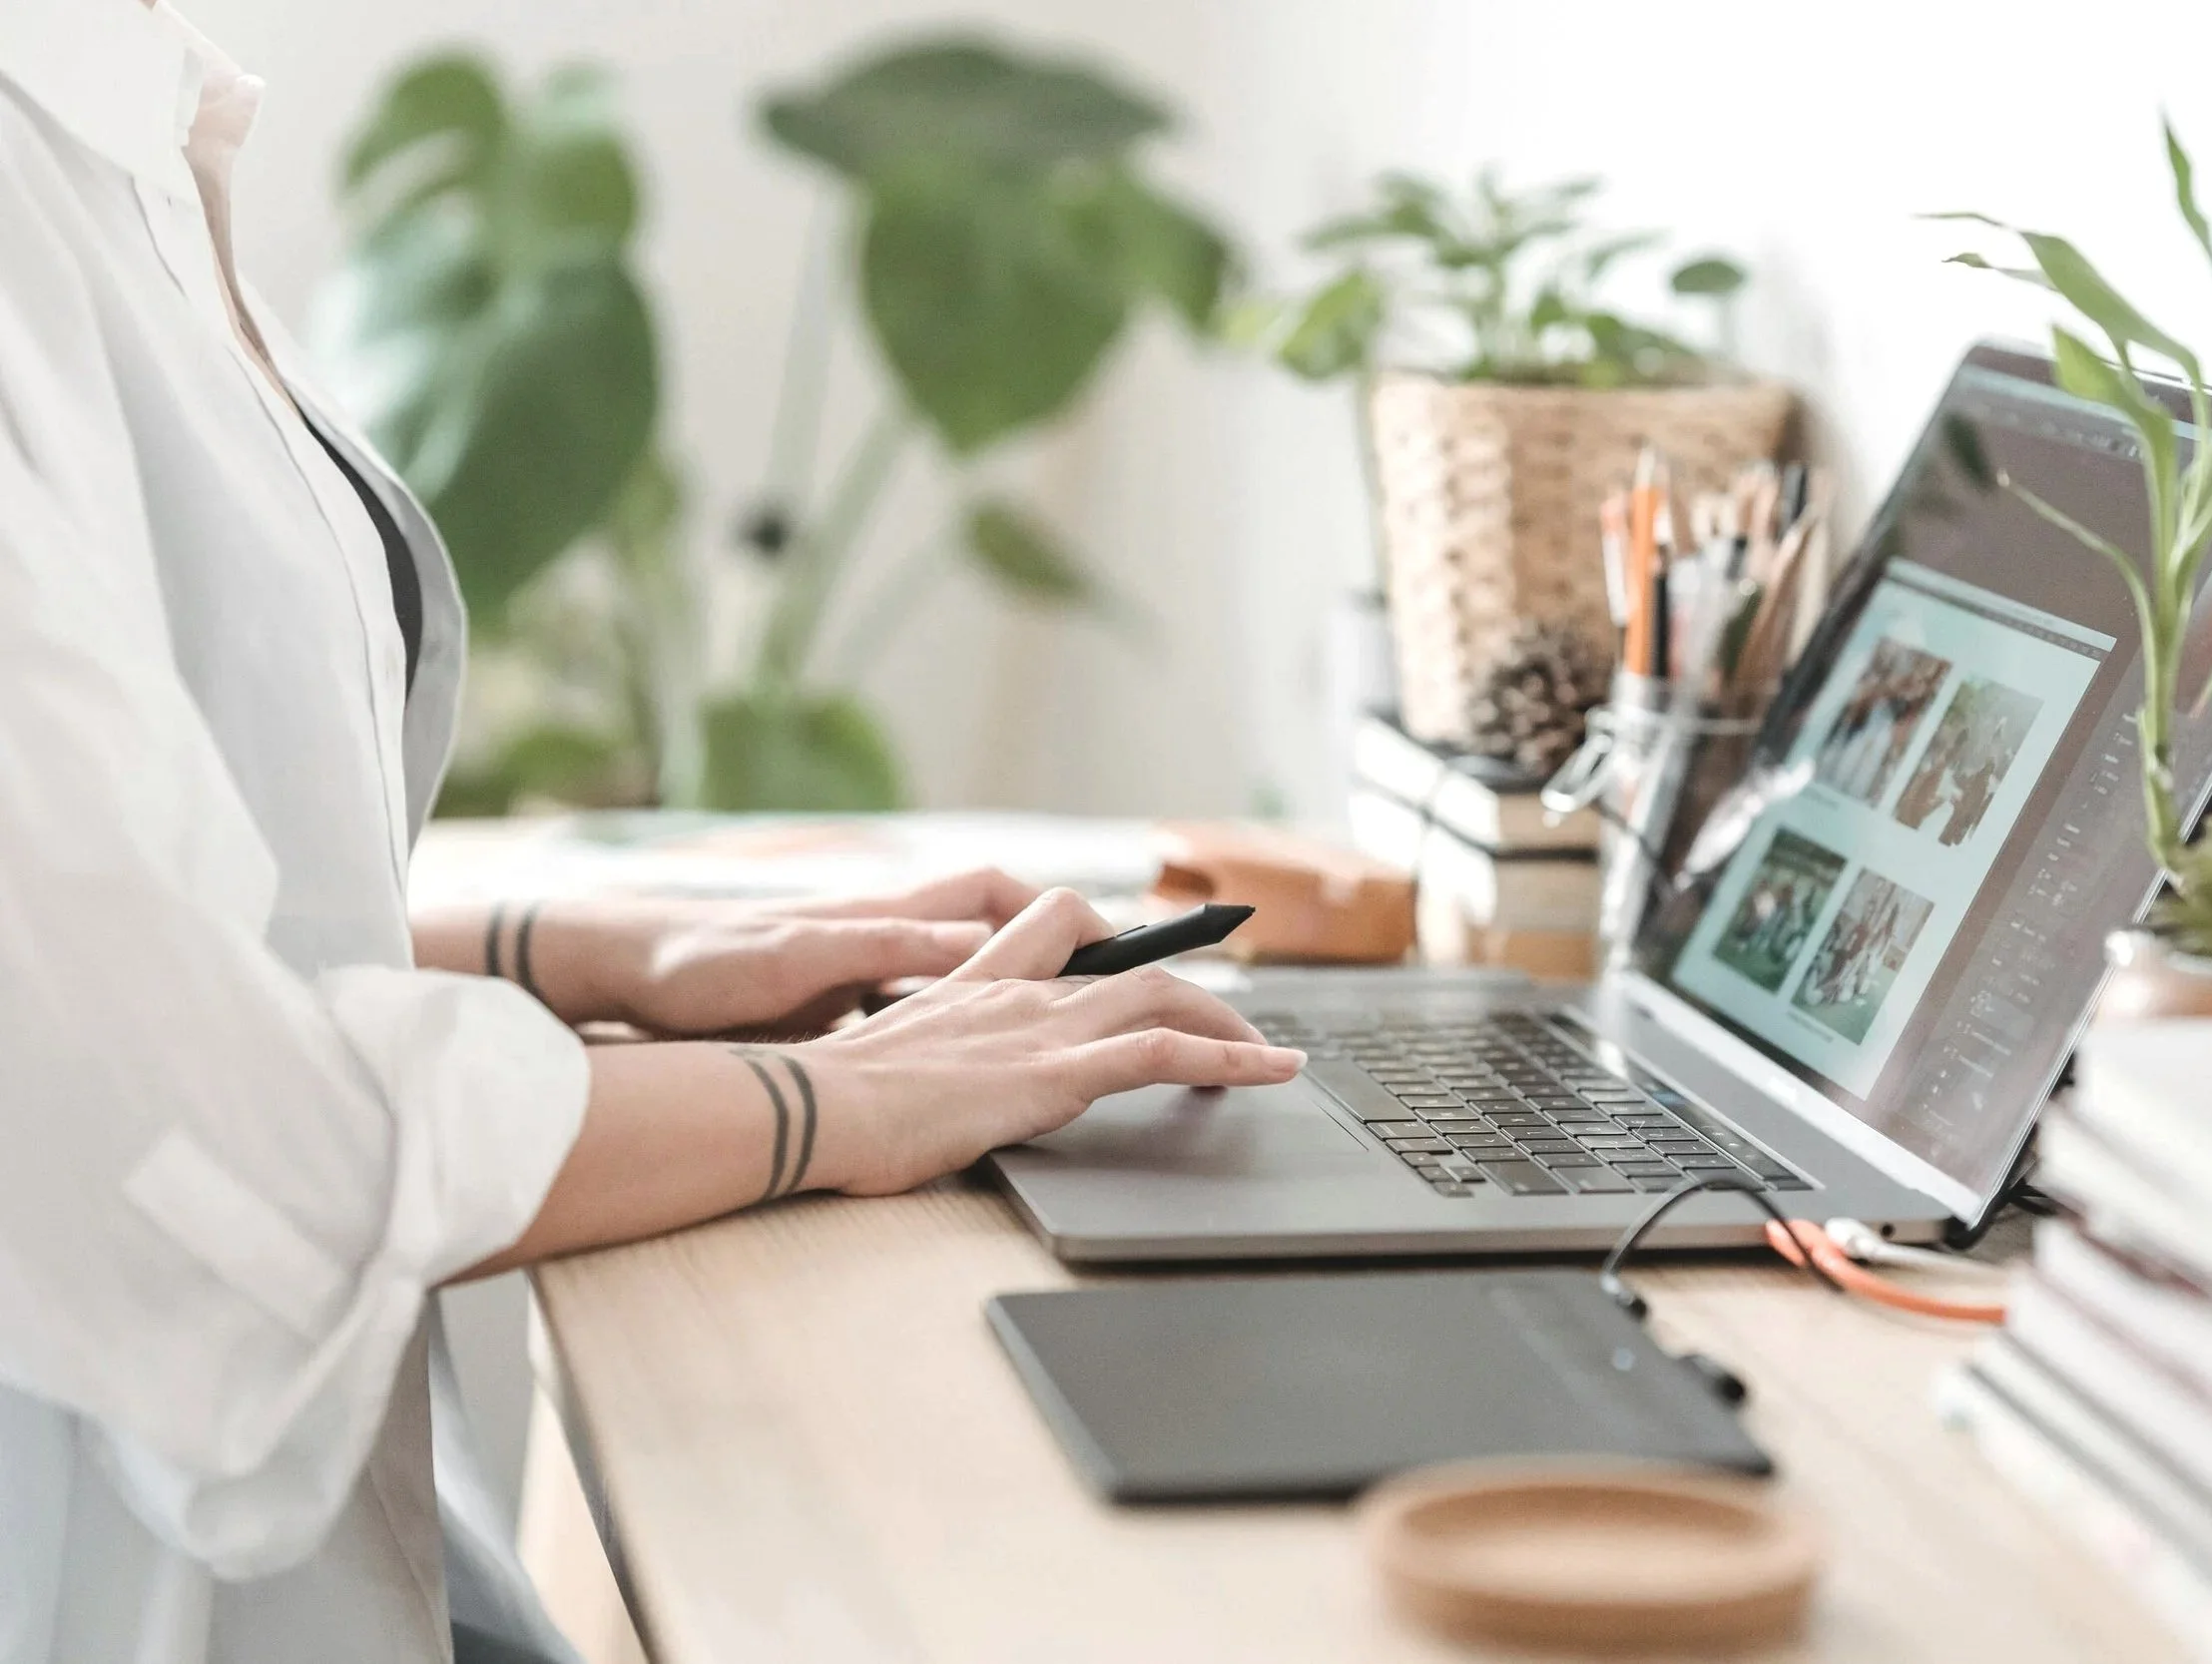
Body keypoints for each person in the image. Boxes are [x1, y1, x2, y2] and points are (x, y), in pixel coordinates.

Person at [0, 5, 1305, 1661]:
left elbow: (102, 935)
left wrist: (587, 951)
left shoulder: (115, 97)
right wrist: (843, 1096)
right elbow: (207, 1160)